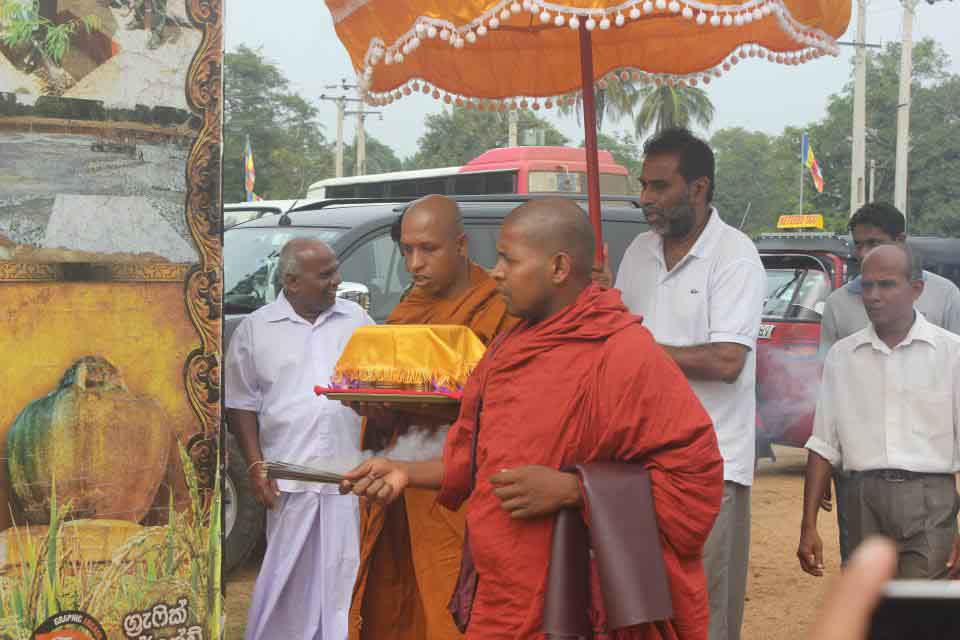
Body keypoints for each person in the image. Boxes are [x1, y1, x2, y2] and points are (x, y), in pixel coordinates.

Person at [343, 198, 723, 640]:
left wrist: (575, 490)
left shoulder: (624, 355)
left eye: (509, 259)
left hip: (572, 604)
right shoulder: (507, 350)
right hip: (501, 596)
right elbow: (476, 463)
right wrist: (404, 472)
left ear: (558, 267)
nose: (496, 272)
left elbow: (696, 478)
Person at [602, 128, 765, 640]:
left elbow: (727, 360)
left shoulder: (735, 255)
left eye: (659, 186)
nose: (645, 198)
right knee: (644, 609)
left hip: (710, 467)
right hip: (638, 461)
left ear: (698, 188)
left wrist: (639, 355)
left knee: (704, 615)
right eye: (643, 186)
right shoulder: (638, 251)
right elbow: (614, 336)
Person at [347, 194, 517, 640]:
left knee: (454, 603)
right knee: (400, 599)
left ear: (460, 245)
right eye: (406, 250)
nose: (414, 263)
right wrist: (374, 406)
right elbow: (390, 382)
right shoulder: (411, 305)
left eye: (428, 249)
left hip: (460, 486)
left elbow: (505, 402)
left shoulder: (499, 305)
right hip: (402, 480)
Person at [225, 238, 373, 640]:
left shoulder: (357, 321)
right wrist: (255, 465)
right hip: (288, 479)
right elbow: (241, 404)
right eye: (325, 274)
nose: (336, 280)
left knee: (345, 579)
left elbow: (380, 385)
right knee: (288, 582)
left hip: (347, 478)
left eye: (335, 270)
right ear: (291, 281)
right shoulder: (257, 329)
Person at [798, 244, 960, 580]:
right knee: (866, 604)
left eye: (886, 285)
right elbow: (823, 442)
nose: (873, 296)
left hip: (930, 501)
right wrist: (808, 525)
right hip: (860, 500)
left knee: (923, 606)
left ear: (916, 289)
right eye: (866, 285)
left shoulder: (951, 354)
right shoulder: (843, 356)